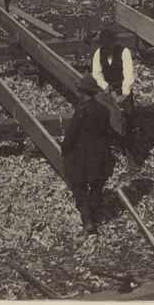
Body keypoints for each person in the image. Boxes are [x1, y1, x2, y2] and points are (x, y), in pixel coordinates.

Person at [62, 74, 115, 240]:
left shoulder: (81, 111)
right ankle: (96, 218)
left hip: (82, 155)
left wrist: (65, 149)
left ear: (83, 92)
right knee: (96, 187)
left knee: (79, 188)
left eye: (80, 91)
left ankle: (87, 223)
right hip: (100, 154)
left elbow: (71, 136)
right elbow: (106, 132)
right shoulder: (104, 110)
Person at [91, 26, 140, 165]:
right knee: (106, 119)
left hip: (123, 90)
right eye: (108, 45)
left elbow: (129, 74)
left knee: (128, 120)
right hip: (107, 90)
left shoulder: (124, 52)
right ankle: (110, 152)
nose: (111, 47)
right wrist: (107, 88)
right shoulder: (98, 53)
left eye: (113, 43)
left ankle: (130, 154)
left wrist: (124, 94)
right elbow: (97, 74)